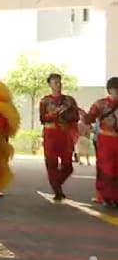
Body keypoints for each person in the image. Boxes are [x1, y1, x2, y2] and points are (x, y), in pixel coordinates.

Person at [39, 73, 80, 201]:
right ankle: (57, 190)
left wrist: (66, 114)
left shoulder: (69, 100)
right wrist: (54, 114)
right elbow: (42, 118)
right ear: (50, 85)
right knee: (51, 163)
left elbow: (76, 116)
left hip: (65, 134)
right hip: (50, 134)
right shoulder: (45, 101)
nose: (58, 84)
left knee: (68, 165)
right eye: (55, 82)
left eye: (59, 82)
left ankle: (57, 183)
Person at [83, 77, 118, 208]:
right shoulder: (100, 104)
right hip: (106, 140)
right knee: (107, 169)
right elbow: (89, 119)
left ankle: (114, 197)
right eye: (115, 88)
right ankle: (106, 196)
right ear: (110, 90)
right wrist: (84, 116)